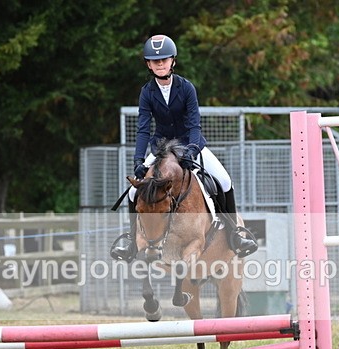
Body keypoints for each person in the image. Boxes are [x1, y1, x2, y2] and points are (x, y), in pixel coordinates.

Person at [110, 34, 258, 262]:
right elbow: (143, 129)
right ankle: (131, 241)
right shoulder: (147, 92)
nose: (160, 64)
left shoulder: (186, 87)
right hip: (161, 148)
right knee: (133, 191)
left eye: (164, 60)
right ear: (149, 65)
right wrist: (138, 160)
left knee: (224, 180)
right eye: (155, 61)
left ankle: (234, 234)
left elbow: (194, 125)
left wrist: (191, 151)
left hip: (190, 145)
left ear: (173, 61)